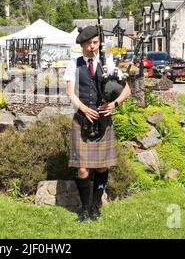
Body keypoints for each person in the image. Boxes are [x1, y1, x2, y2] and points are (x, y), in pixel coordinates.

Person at [63, 26, 131, 223]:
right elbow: (70, 93)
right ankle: (84, 210)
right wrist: (83, 108)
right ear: (82, 45)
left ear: (99, 43)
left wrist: (114, 104)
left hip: (103, 121)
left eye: (95, 43)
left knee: (102, 168)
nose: (92, 47)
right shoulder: (74, 64)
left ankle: (95, 207)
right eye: (88, 44)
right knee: (82, 169)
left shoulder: (107, 63)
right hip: (82, 120)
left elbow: (126, 90)